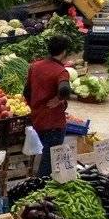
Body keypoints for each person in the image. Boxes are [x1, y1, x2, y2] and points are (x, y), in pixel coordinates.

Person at [26, 35, 73, 177]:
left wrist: (35, 106)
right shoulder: (61, 71)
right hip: (53, 123)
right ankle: (42, 192)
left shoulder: (35, 66)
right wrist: (59, 99)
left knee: (39, 158)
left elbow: (26, 91)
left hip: (37, 120)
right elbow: (65, 89)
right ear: (64, 52)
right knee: (48, 165)